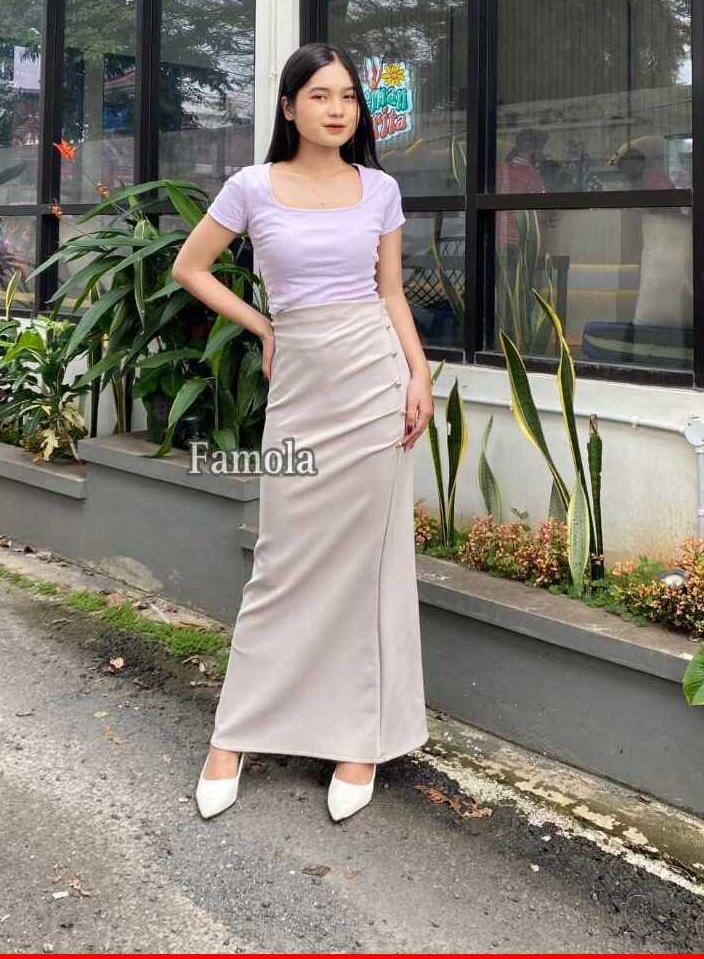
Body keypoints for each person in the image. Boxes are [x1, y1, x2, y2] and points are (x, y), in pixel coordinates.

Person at [169, 42, 434, 823]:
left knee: (369, 567)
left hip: (374, 378)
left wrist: (418, 375)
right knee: (281, 560)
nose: (337, 108)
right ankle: (235, 732)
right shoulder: (251, 187)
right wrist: (263, 327)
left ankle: (361, 738)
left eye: (347, 95)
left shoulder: (379, 189)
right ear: (289, 107)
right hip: (303, 381)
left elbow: (391, 292)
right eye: (320, 95)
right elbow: (191, 267)